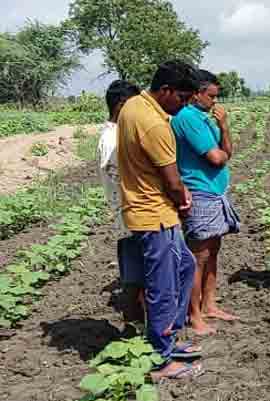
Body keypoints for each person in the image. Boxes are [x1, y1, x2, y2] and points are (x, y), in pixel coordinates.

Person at [117, 60, 203, 380]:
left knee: (185, 267)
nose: (183, 106)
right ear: (165, 91)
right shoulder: (154, 124)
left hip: (149, 212)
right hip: (155, 216)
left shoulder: (133, 105)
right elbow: (172, 181)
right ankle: (160, 359)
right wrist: (184, 201)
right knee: (162, 288)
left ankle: (167, 337)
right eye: (181, 98)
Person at [171, 69, 240, 336]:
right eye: (211, 96)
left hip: (215, 193)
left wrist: (223, 127)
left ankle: (209, 305)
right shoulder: (188, 118)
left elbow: (228, 153)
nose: (215, 102)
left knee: (213, 250)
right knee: (198, 256)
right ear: (197, 93)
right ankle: (194, 314)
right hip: (199, 193)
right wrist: (222, 139)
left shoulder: (205, 117)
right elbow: (216, 157)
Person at [97, 80, 145, 323]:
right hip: (131, 216)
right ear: (121, 105)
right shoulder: (114, 138)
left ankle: (137, 325)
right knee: (136, 278)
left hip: (129, 215)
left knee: (137, 275)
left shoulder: (115, 134)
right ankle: (134, 327)